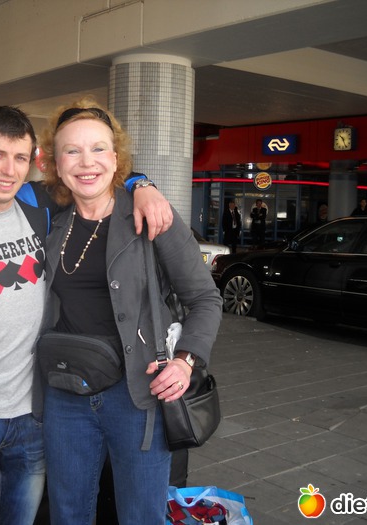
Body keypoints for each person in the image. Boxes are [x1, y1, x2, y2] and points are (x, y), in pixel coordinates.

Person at [0, 105, 173, 525]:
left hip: (35, 419)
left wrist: (143, 185)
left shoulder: (40, 208)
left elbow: (93, 174)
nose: (9, 170)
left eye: (20, 158)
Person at [37, 97, 222, 524]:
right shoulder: (52, 221)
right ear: (56, 164)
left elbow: (205, 299)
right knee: (68, 513)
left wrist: (186, 361)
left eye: (98, 148)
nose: (87, 162)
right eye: (72, 151)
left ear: (116, 158)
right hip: (65, 391)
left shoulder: (152, 215)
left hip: (138, 394)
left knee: (141, 514)